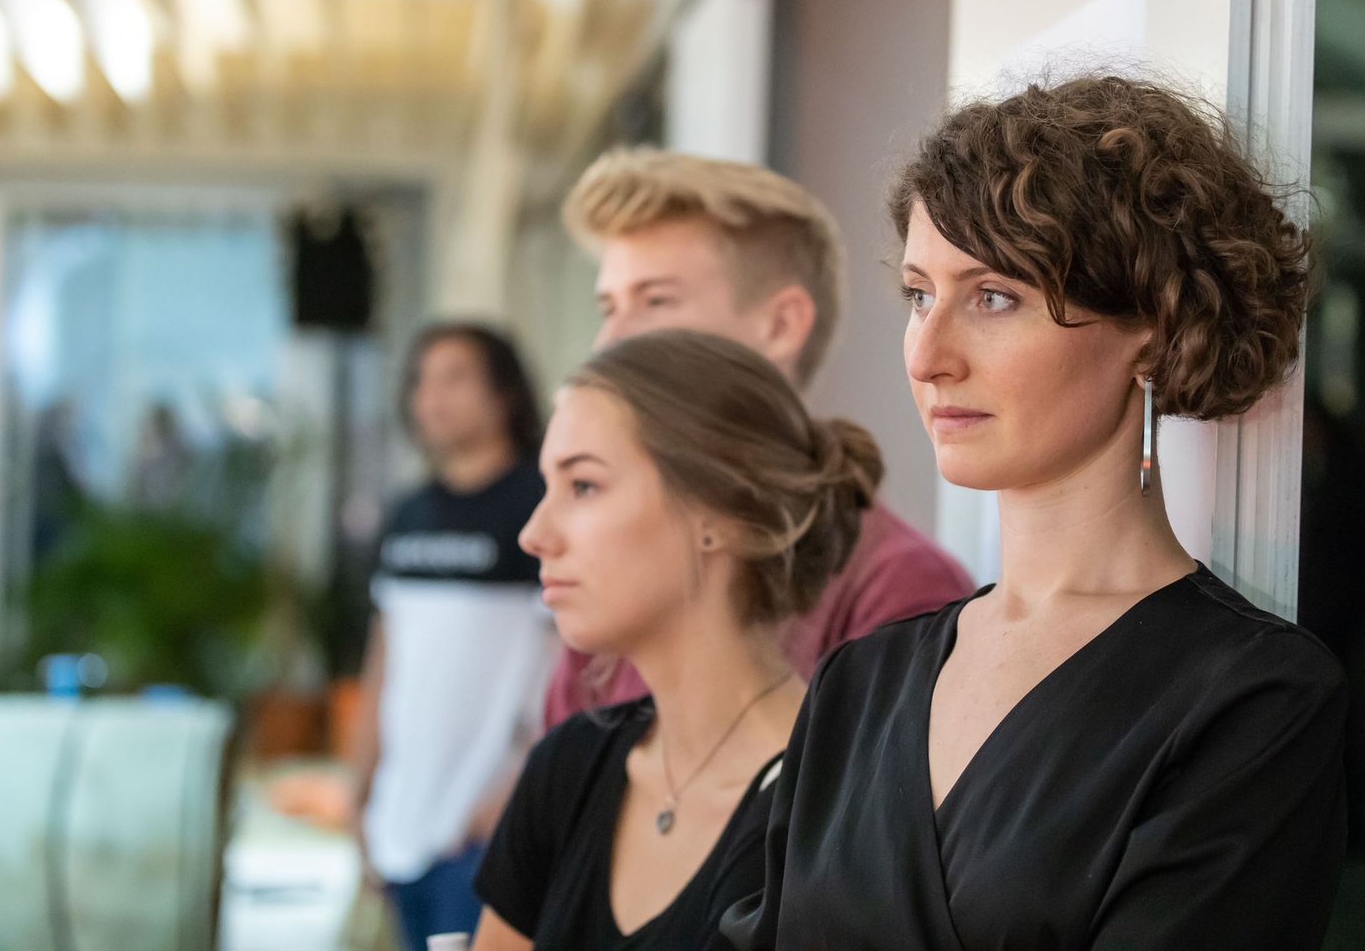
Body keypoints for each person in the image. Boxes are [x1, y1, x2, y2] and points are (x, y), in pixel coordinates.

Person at [722, 75, 1348, 950]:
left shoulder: (1252, 700)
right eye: (919, 295)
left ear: (1154, 327)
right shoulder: (858, 683)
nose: (928, 356)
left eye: (993, 297)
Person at [470, 329, 883, 950]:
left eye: (583, 486)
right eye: (547, 486)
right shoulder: (566, 767)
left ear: (718, 512)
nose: (533, 533)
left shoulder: (837, 811)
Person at [542, 149, 973, 725]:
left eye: (654, 301)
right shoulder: (616, 566)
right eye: (609, 307)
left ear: (781, 325)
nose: (609, 343)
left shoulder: (899, 589)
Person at [350, 323, 548, 951]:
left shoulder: (540, 508)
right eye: (421, 381)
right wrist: (358, 792)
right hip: (401, 823)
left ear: (504, 393)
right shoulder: (406, 513)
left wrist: (516, 786)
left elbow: (572, 661)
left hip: (485, 824)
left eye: (455, 378)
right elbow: (384, 660)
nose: (432, 397)